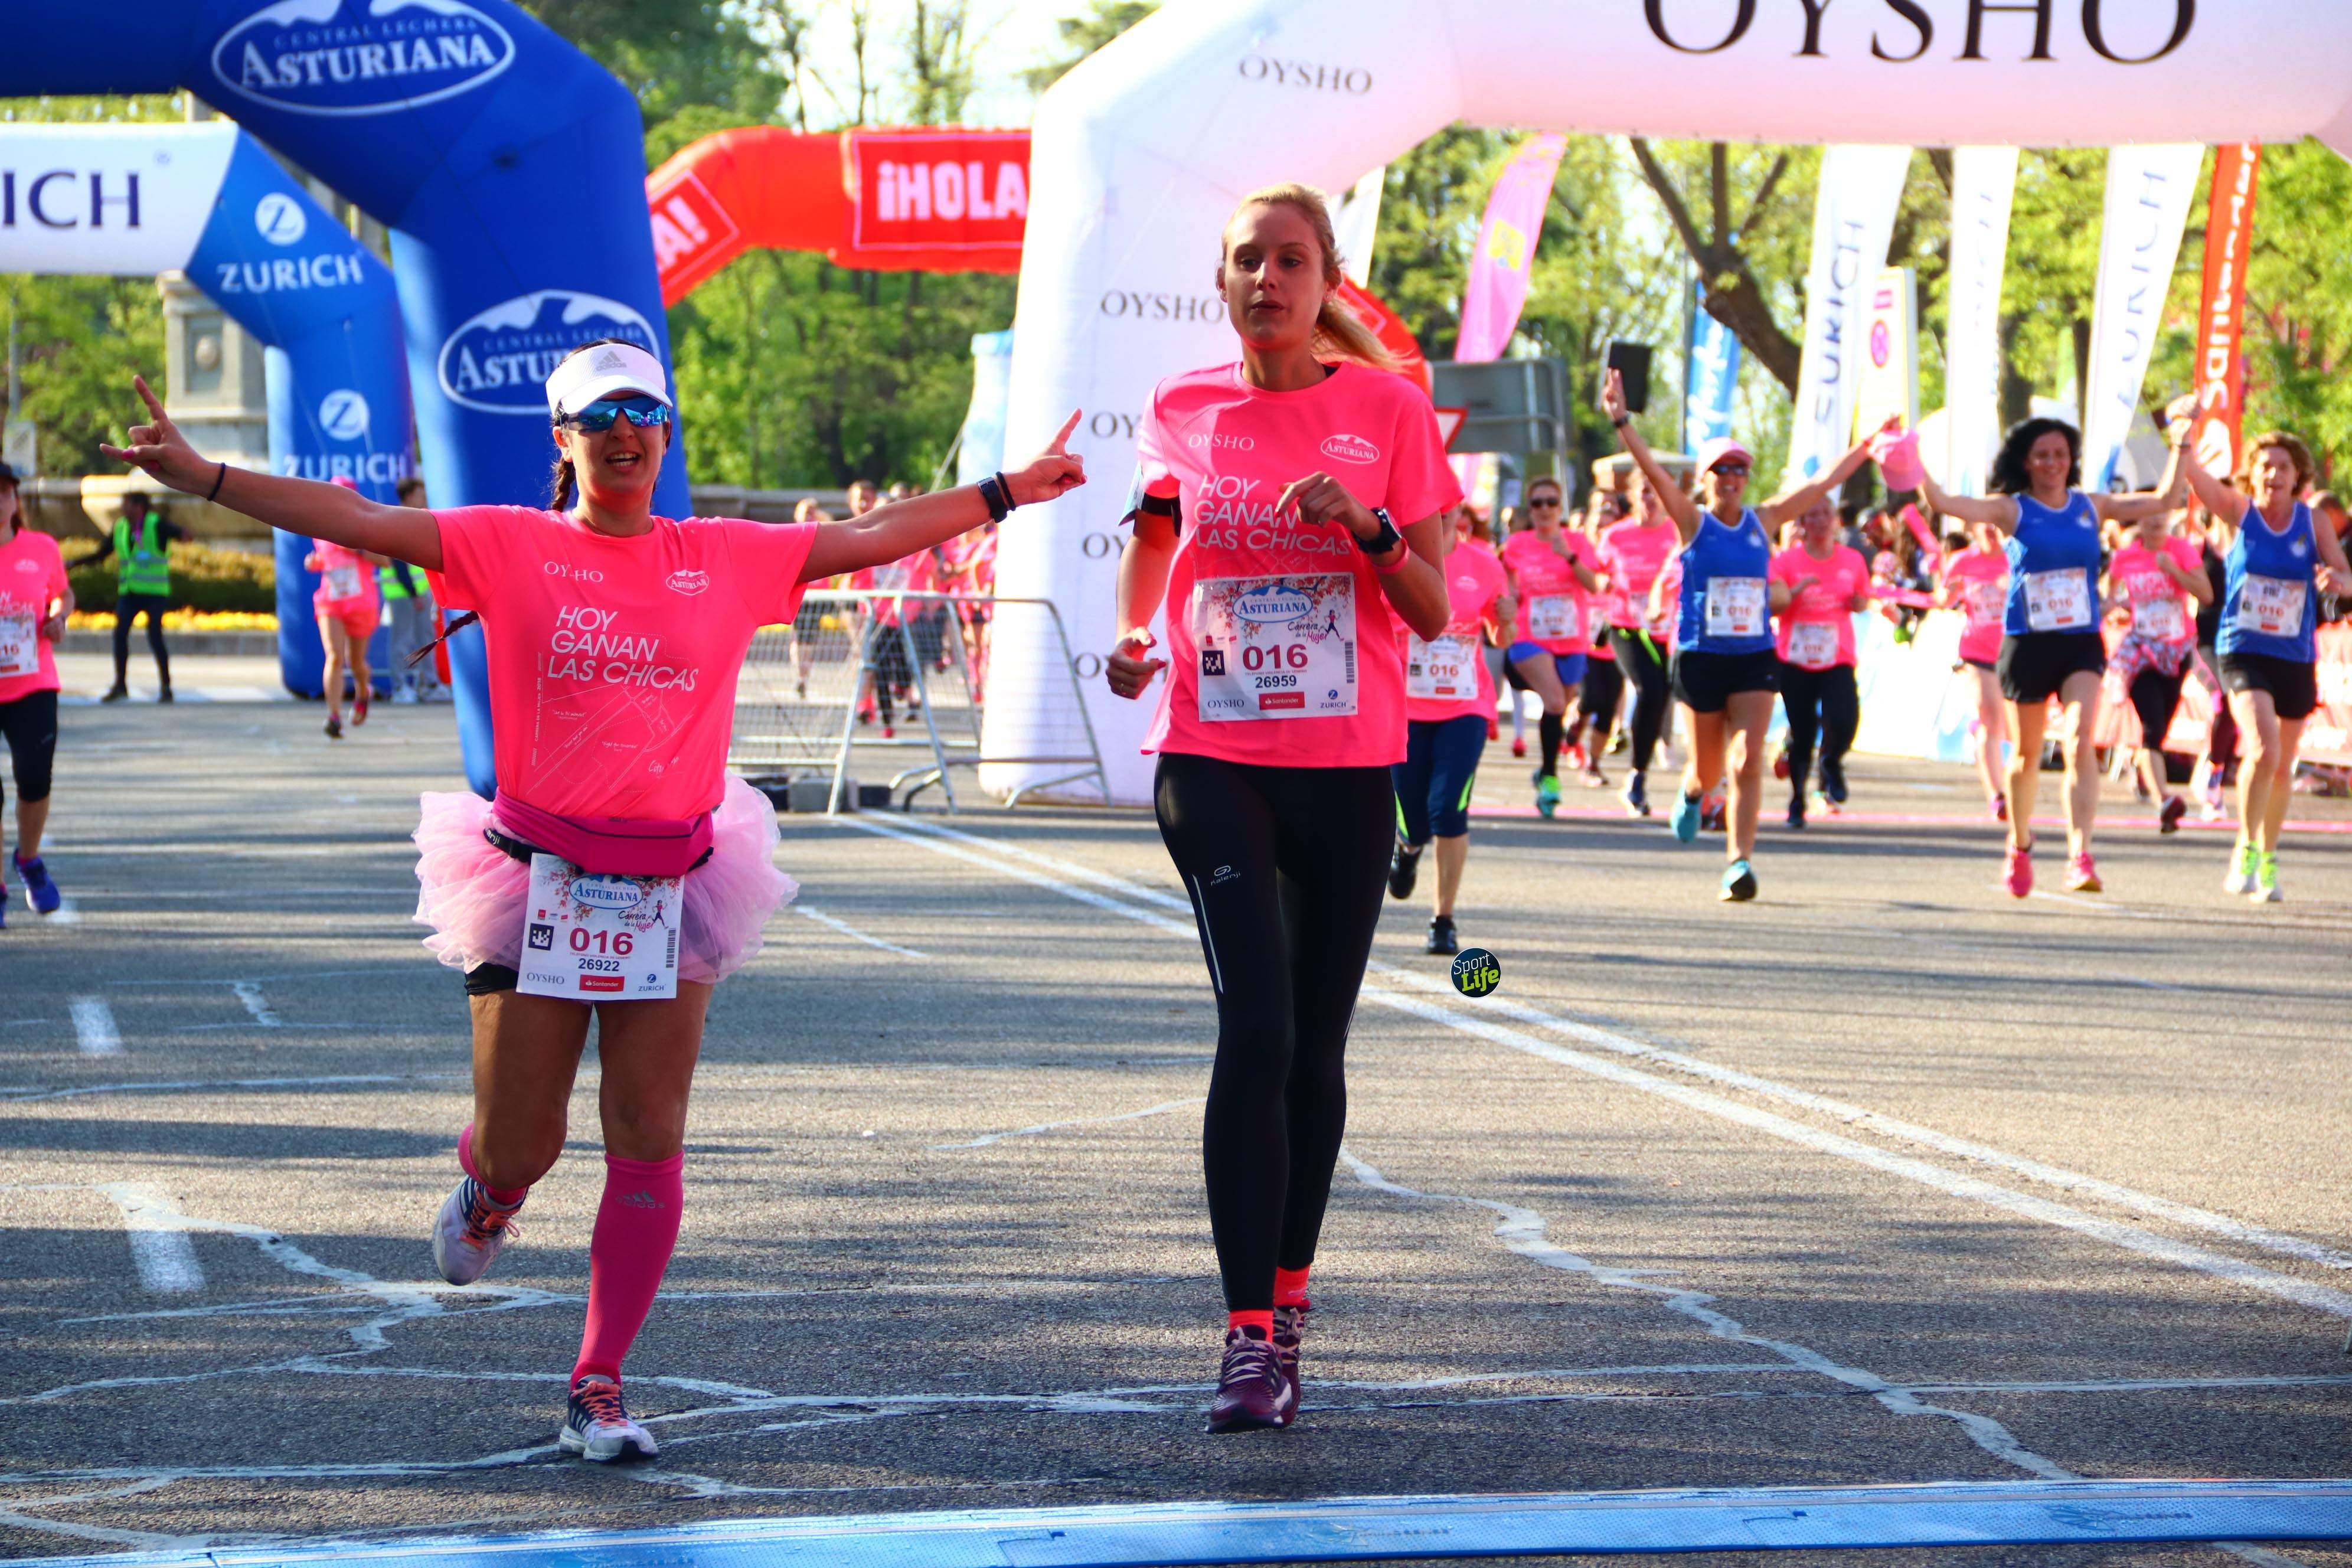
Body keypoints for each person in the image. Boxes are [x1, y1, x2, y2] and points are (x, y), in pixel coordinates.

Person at [103, 342, 1083, 1461]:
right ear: (561, 439)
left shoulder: (720, 555)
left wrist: (1003, 490)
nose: (628, 431)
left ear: (665, 434)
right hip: (536, 877)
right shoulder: (506, 543)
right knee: (526, 1141)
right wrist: (208, 477)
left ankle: (599, 1381)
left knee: (649, 1139)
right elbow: (355, 513)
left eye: (647, 413)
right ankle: (489, 1187)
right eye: (601, 414)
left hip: (674, 878)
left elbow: (868, 536)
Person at [1103, 182, 1456, 1433]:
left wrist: (1363, 527)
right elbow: (1153, 541)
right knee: (1252, 1027)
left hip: (1351, 768)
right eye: (1248, 260)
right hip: (1212, 755)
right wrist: (1136, 634)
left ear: (1327, 282)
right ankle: (1248, 1334)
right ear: (1226, 281)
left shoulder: (1387, 411)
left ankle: (1293, 1296)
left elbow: (1431, 610)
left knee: (1314, 1045)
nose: (1268, 278)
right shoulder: (1183, 407)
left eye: (1291, 260)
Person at [1604, 370, 1880, 900]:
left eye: (1740, 469)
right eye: (1721, 470)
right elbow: (1654, 473)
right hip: (1701, 658)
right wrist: (1622, 421)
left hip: (1754, 655)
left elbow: (1821, 485)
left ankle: (1739, 862)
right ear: (1706, 480)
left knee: (1747, 759)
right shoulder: (1692, 521)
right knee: (1709, 771)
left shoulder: (1765, 520)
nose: (1731, 477)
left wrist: (1866, 446)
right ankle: (1691, 794)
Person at [1916, 417, 2178, 897]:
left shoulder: (2091, 505)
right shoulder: (2011, 509)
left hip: (2079, 640)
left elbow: (2164, 499)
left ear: (2070, 459)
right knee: (2026, 756)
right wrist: (1909, 457)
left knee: (2080, 741)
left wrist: (2182, 440)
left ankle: (2081, 855)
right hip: (2027, 643)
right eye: (2042, 455)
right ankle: (2019, 844)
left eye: (2060, 454)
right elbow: (1942, 503)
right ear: (2026, 462)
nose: (2053, 464)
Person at [2161, 400, 2351, 901]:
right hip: (2243, 647)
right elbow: (2194, 479)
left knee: (2282, 762)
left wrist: (2339, 579)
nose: (2273, 474)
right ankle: (2245, 849)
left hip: (2294, 654)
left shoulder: (2313, 524)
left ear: (2297, 477)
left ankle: (2267, 855)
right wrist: (2185, 429)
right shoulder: (2239, 511)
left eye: (2283, 467)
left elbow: (2348, 579)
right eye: (2265, 465)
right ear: (2253, 475)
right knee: (2263, 747)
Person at [1391, 501, 1512, 953]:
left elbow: (1501, 637)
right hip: (1403, 711)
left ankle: (1443, 919)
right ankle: (1406, 848)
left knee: (1448, 811)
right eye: (1430, 504)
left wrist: (1508, 619)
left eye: (1448, 506)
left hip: (1466, 708)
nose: (1440, 513)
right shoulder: (1396, 556)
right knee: (1415, 821)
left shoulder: (1483, 564)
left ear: (1459, 512)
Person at [2102, 507, 2212, 834]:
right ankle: (2165, 800)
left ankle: (2146, 772)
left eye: (2160, 515)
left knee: (2160, 728)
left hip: (2176, 651)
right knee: (2151, 727)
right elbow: (2108, 591)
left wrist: (2175, 571)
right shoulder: (2127, 556)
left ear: (2168, 521)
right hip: (2141, 652)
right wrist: (2111, 605)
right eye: (2149, 514)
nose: (2154, 520)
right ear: (2141, 521)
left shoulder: (2182, 551)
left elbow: (2205, 593)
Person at [1768, 498, 1873, 829]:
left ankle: (1831, 761)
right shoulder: (1786, 561)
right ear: (1803, 523)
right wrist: (1795, 592)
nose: (1821, 520)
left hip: (1836, 656)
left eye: (1826, 513)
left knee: (1844, 719)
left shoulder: (1853, 560)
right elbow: (1774, 605)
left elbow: (1861, 598)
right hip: (1795, 659)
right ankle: (1798, 798)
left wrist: (1859, 603)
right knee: (1803, 732)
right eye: (1813, 514)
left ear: (1837, 520)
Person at [1500, 474, 1600, 816]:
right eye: (1537, 503)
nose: (1544, 509)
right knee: (1556, 700)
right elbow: (1502, 577)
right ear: (1531, 509)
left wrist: (1570, 557)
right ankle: (1551, 778)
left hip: (1572, 638)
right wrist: (1509, 595)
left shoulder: (1577, 541)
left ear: (1561, 508)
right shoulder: (1517, 544)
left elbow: (1595, 586)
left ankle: (1543, 770)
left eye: (1551, 503)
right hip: (1529, 636)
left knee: (1559, 705)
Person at [0, 460, 73, 926]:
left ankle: (28, 860)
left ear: (16, 501)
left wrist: (58, 615)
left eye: (4, 493)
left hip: (33, 683)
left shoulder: (41, 548)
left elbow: (62, 594)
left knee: (34, 778)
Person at [1600, 471, 1680, 816]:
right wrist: (1600, 582)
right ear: (1631, 496)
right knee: (1649, 689)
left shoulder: (1678, 532)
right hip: (1625, 627)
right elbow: (1596, 573)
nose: (1650, 498)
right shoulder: (1615, 535)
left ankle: (1639, 775)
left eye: (1656, 491)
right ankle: (1636, 778)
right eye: (1644, 491)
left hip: (1667, 630)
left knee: (1663, 694)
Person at [1938, 522, 2012, 819]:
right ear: (1974, 528)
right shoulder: (1963, 561)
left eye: (1998, 523)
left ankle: (1980, 729)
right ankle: (1997, 795)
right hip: (1977, 650)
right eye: (1986, 524)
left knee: (2007, 725)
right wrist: (1952, 592)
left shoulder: (2017, 556)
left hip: (2015, 650)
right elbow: (1943, 598)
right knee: (1992, 718)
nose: (1993, 529)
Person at [309, 477, 383, 740]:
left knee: (357, 663)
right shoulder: (321, 527)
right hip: (330, 602)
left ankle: (363, 690)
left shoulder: (367, 525)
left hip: (362, 603)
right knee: (335, 657)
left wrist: (358, 549)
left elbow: (385, 560)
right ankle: (334, 716)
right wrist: (315, 562)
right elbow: (327, 558)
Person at [104, 491, 182, 703]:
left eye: (126, 504)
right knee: (120, 634)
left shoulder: (157, 524)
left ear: (139, 507)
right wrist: (75, 563)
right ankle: (120, 685)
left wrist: (185, 535)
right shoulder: (120, 526)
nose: (122, 508)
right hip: (130, 592)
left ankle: (166, 687)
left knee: (155, 636)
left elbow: (178, 532)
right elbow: (103, 551)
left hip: (155, 593)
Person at [1575, 489, 1629, 785]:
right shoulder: (1578, 547)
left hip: (1614, 638)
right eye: (1599, 512)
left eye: (1610, 512)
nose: (1603, 519)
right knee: (1591, 697)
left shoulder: (1620, 550)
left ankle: (1593, 764)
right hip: (1581, 639)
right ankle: (1576, 722)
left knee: (1608, 707)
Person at [381, 476, 440, 704]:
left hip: (418, 594)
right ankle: (399, 688)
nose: (424, 499)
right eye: (420, 495)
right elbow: (397, 561)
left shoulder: (416, 519)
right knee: (402, 642)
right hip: (403, 594)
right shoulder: (397, 519)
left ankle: (429, 685)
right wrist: (414, 593)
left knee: (426, 638)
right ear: (408, 497)